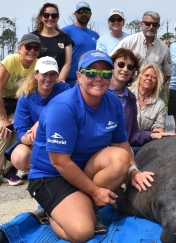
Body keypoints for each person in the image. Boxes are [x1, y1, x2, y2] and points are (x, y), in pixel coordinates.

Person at [27, 50, 154, 242]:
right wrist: (95, 192)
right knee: (82, 232)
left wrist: (134, 171)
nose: (98, 78)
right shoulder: (63, 108)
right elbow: (60, 163)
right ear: (79, 76)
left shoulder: (112, 101)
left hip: (83, 167)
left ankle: (80, 203)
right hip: (50, 174)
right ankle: (52, 211)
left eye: (105, 74)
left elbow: (120, 142)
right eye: (91, 73)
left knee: (120, 159)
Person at [0, 33, 42, 189]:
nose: (32, 51)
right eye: (28, 47)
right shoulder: (11, 60)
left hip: (14, 105)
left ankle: (9, 170)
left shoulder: (39, 65)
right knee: (3, 130)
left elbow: (49, 81)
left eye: (36, 48)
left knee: (16, 130)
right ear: (20, 48)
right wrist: (3, 118)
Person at [11, 57, 70, 171]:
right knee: (19, 157)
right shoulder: (25, 97)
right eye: (44, 74)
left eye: (52, 74)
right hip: (38, 141)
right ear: (36, 74)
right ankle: (40, 170)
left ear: (57, 76)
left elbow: (67, 113)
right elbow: (21, 129)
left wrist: (40, 122)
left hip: (61, 139)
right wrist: (27, 138)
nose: (48, 78)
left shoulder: (64, 89)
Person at [109, 48, 175, 147]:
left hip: (133, 144)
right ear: (140, 77)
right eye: (121, 65)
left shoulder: (130, 99)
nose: (125, 69)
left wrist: (152, 135)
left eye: (130, 67)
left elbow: (132, 136)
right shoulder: (100, 91)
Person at [110, 11, 172, 84]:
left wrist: (155, 88)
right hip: (127, 90)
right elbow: (110, 60)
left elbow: (167, 74)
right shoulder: (129, 41)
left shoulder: (164, 48)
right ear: (141, 24)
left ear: (158, 26)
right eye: (147, 24)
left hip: (149, 94)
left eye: (154, 24)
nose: (151, 27)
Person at [32, 3, 73, 82]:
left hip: (58, 83)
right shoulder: (33, 37)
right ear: (41, 17)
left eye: (54, 15)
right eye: (46, 15)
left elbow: (67, 63)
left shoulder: (65, 38)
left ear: (58, 18)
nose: (50, 18)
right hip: (36, 83)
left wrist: (57, 83)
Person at [62, 2, 99, 87]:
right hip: (70, 81)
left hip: (90, 79)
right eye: (81, 11)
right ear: (75, 14)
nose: (84, 14)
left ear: (91, 14)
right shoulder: (66, 31)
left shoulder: (95, 35)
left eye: (87, 11)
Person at [130, 64, 167, 136]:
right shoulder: (127, 94)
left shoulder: (159, 105)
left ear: (157, 82)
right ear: (140, 77)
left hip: (145, 143)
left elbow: (159, 129)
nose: (149, 78)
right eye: (146, 75)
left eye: (154, 77)